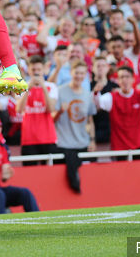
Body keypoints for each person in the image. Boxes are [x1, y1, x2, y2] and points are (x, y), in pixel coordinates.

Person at [54, 61, 96, 193]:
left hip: (82, 142)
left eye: (82, 73)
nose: (79, 76)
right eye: (77, 72)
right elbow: (51, 117)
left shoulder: (87, 94)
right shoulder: (60, 91)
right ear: (71, 73)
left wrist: (93, 140)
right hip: (64, 143)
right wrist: (60, 111)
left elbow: (90, 120)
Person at [16, 55, 58, 165]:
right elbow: (19, 109)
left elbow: (51, 109)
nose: (36, 72)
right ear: (29, 70)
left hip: (48, 138)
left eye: (39, 69)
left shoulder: (51, 86)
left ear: (44, 70)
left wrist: (43, 87)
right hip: (29, 138)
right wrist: (28, 88)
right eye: (33, 69)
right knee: (29, 174)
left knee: (50, 173)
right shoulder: (22, 87)